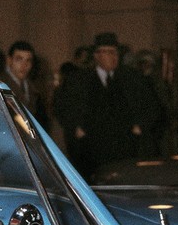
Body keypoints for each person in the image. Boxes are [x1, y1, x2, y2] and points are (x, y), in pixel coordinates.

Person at [54, 31, 162, 179]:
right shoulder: (79, 80)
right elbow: (62, 107)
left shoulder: (132, 78)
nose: (114, 57)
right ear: (97, 55)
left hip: (126, 145)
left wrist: (140, 126)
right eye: (108, 53)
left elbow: (152, 106)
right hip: (91, 148)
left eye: (115, 53)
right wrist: (76, 128)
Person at [0, 41, 49, 129]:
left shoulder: (33, 87)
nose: (24, 65)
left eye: (28, 60)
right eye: (19, 59)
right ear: (9, 60)